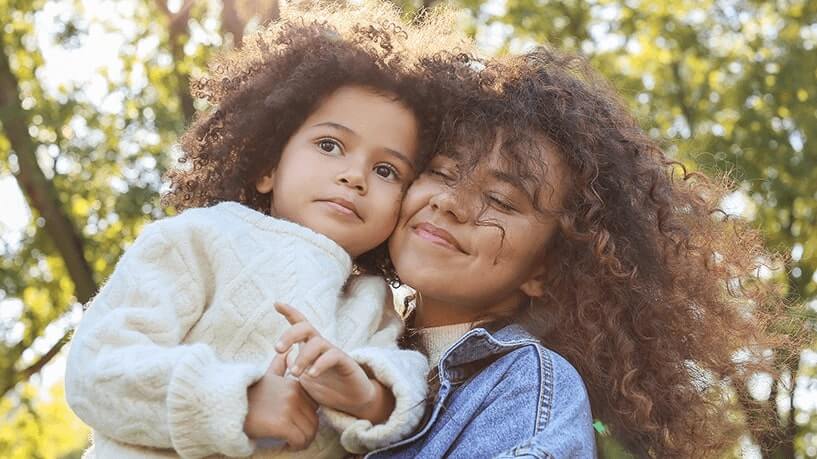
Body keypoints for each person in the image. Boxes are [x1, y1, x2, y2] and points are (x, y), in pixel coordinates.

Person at [290, 46, 793, 457]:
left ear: (547, 268)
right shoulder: (352, 323)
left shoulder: (529, 386)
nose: (450, 203)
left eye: (500, 200)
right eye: (442, 172)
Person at [64, 3, 462, 458]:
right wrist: (239, 400)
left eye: (387, 170)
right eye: (330, 144)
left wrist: (366, 397)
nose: (355, 176)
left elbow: (407, 391)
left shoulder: (373, 303)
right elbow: (97, 368)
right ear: (268, 165)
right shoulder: (199, 239)